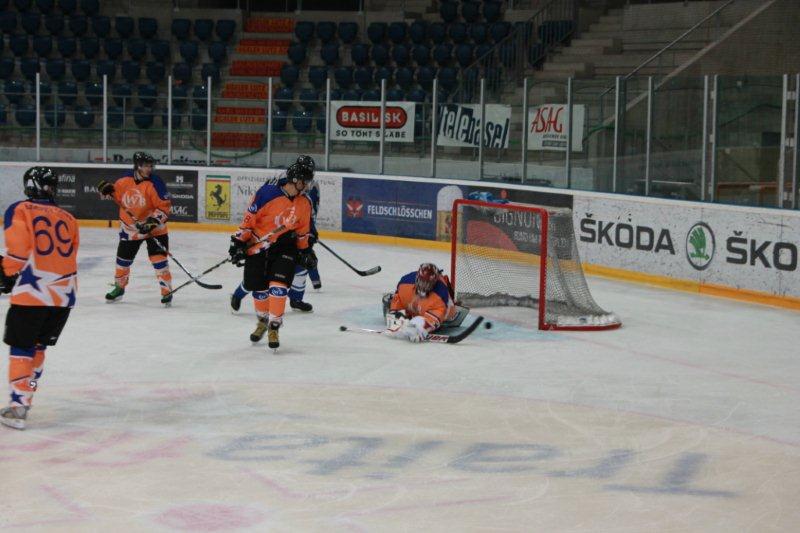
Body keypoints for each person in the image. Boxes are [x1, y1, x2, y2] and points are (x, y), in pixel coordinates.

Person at [1, 167, 79, 430]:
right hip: (64, 296)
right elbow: (70, 255)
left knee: (21, 349)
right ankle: (27, 395)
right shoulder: (69, 217)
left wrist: (7, 273)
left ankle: (18, 407)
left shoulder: (20, 209)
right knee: (38, 349)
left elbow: (18, 249)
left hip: (32, 295)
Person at [228, 162, 317, 350]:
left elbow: (303, 231)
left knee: (279, 286)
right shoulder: (267, 193)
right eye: (305, 181)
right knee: (259, 288)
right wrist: (238, 243)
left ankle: (274, 326)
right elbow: (248, 221)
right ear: (295, 180)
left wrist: (305, 251)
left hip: (285, 247)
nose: (307, 185)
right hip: (258, 245)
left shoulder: (304, 202)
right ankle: (262, 322)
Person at [97, 152, 174, 305]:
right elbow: (115, 196)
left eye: (151, 166)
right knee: (122, 262)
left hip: (155, 229)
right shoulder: (123, 180)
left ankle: (166, 291)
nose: (149, 169)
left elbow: (165, 208)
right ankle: (119, 288)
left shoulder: (156, 183)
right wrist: (104, 190)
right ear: (137, 166)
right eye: (146, 166)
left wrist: (152, 222)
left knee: (159, 260)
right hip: (130, 229)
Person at [382, 263, 460, 343]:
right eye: (422, 282)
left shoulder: (440, 295)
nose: (424, 286)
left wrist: (419, 328)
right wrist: (396, 315)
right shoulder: (405, 282)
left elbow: (433, 318)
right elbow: (398, 299)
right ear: (417, 278)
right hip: (417, 308)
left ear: (434, 282)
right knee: (390, 305)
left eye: (428, 283)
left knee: (447, 315)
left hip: (441, 312)